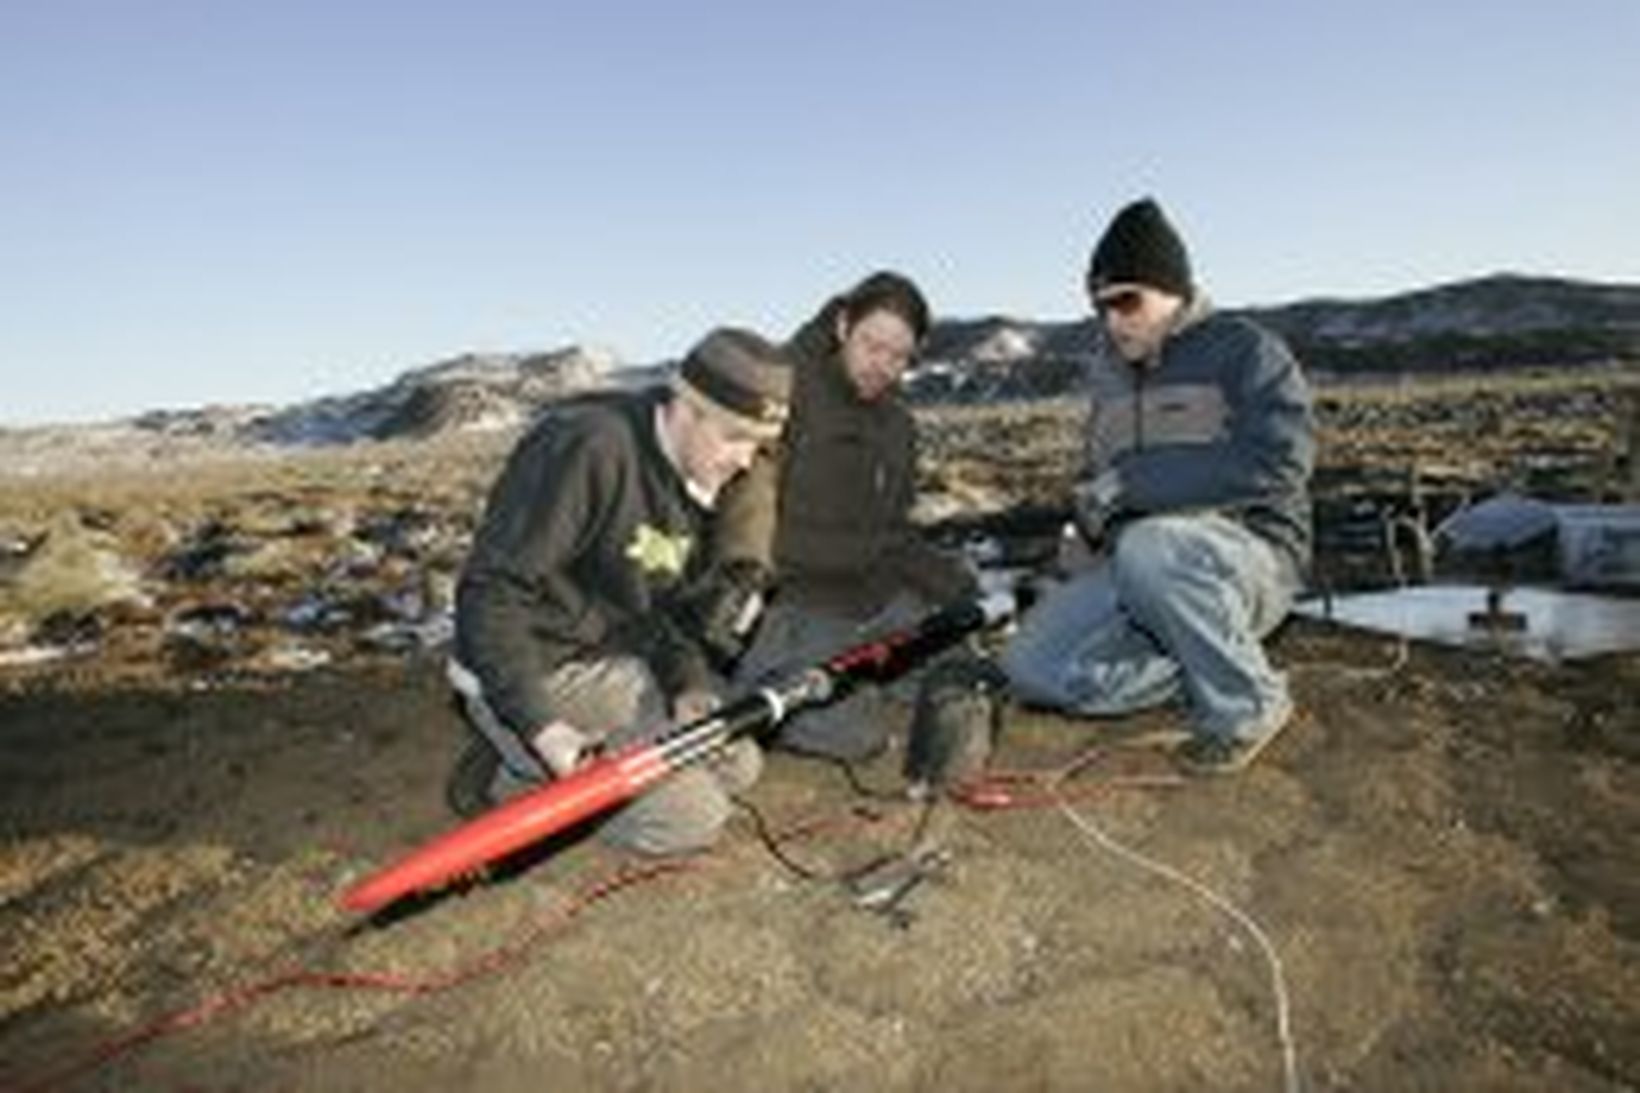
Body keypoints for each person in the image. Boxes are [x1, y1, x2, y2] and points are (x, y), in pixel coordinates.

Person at [445, 327, 792, 854]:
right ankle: (514, 770)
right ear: (687, 407)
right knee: (692, 818)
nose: (746, 461)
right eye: (735, 437)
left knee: (738, 763)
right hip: (528, 666)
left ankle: (519, 756)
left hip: (608, 659)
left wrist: (687, 688)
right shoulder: (588, 448)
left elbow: (665, 615)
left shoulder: (703, 480)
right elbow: (490, 594)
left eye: (758, 445)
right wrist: (545, 730)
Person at [998, 197, 1315, 773]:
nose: (1113, 319)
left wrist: (1133, 484)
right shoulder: (1109, 380)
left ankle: (1249, 704)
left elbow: (1282, 461)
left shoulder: (1245, 349)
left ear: (1173, 290)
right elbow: (1097, 495)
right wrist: (1065, 568)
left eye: (1126, 300)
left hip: (1247, 560)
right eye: (1101, 306)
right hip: (1136, 571)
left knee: (1153, 547)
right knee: (1028, 667)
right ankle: (1194, 669)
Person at [716, 271, 977, 762]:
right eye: (872, 346)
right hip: (794, 603)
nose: (883, 365)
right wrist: (749, 591)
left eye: (899, 356)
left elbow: (896, 533)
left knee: (962, 672)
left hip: (871, 600)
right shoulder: (783, 394)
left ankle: (861, 677)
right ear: (842, 327)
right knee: (859, 736)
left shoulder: (898, 425)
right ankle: (765, 687)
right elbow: (748, 525)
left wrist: (952, 583)